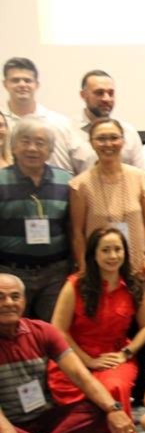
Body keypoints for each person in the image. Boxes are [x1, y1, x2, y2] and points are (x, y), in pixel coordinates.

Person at [0, 273, 134, 433]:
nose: (8, 303)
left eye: (15, 297)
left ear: (24, 301)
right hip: (6, 423)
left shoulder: (42, 331)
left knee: (96, 407)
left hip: (42, 420)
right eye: (1, 297)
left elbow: (81, 375)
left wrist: (114, 409)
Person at [47, 228, 145, 418]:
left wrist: (126, 353)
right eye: (105, 250)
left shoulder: (134, 285)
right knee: (78, 396)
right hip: (75, 357)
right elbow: (58, 330)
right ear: (94, 255)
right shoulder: (75, 285)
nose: (113, 256)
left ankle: (113, 432)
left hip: (114, 356)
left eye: (118, 249)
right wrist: (88, 361)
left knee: (113, 388)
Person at [69, 118, 145, 286]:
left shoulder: (139, 178)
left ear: (123, 141)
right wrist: (83, 268)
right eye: (101, 139)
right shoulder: (80, 185)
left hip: (138, 269)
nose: (108, 144)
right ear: (91, 143)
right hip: (99, 272)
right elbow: (77, 232)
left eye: (114, 137)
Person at [0, 117, 72, 322]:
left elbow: (73, 227)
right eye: (25, 141)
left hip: (55, 273)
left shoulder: (66, 180)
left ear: (50, 150)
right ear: (13, 146)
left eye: (40, 143)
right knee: (12, 331)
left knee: (53, 330)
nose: (32, 148)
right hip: (9, 274)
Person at [65, 70, 145, 175]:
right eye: (99, 93)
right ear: (83, 95)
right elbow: (64, 178)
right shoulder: (68, 131)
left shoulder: (129, 132)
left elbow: (141, 176)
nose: (106, 98)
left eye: (111, 93)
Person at [1, 57, 73, 169]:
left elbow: (85, 160)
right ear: (5, 84)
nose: (22, 84)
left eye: (27, 80)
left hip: (57, 179)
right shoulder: (1, 124)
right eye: (15, 80)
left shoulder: (59, 122)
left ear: (37, 85)